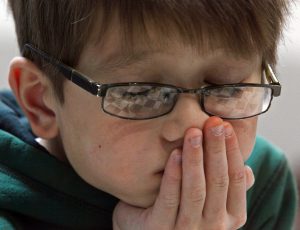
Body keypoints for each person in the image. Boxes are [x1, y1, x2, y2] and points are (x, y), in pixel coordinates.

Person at [0, 0, 297, 229]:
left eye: (228, 88)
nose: (193, 128)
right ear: (40, 101)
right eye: (139, 93)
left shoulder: (261, 185)